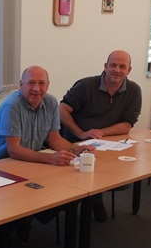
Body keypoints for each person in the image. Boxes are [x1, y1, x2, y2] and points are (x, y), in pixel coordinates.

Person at [0, 65, 95, 244]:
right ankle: (17, 222)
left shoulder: (51, 103)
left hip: (32, 160)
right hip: (3, 164)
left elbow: (54, 139)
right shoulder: (11, 106)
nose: (36, 88)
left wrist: (75, 149)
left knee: (65, 189)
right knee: (37, 190)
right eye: (31, 83)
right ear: (21, 85)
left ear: (48, 85)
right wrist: (51, 158)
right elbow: (14, 149)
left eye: (41, 83)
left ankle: (27, 218)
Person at [59, 50, 142, 222]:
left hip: (105, 142)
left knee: (111, 167)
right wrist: (82, 133)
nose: (117, 70)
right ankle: (88, 201)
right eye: (113, 65)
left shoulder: (134, 90)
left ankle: (95, 198)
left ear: (129, 70)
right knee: (86, 169)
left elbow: (127, 124)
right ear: (105, 66)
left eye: (122, 66)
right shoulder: (85, 86)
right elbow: (61, 110)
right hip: (74, 141)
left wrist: (100, 132)